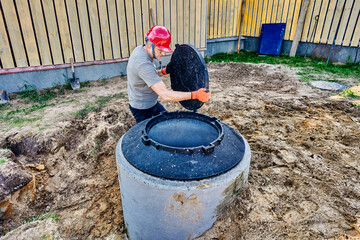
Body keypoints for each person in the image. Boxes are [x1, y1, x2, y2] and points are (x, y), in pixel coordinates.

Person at [126, 25, 211, 123]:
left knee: (169, 122)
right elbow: (165, 95)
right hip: (143, 109)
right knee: (151, 136)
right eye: (160, 50)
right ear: (150, 46)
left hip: (151, 103)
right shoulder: (142, 63)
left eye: (164, 50)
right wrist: (195, 95)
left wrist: (163, 71)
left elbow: (146, 76)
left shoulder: (140, 49)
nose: (163, 54)